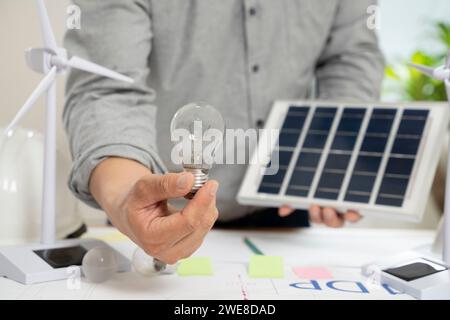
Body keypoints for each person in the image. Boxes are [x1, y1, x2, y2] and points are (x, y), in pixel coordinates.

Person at [64, 0, 384, 264]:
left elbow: (349, 59)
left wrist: (336, 153)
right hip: (157, 210)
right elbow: (106, 87)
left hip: (284, 207)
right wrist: (124, 197)